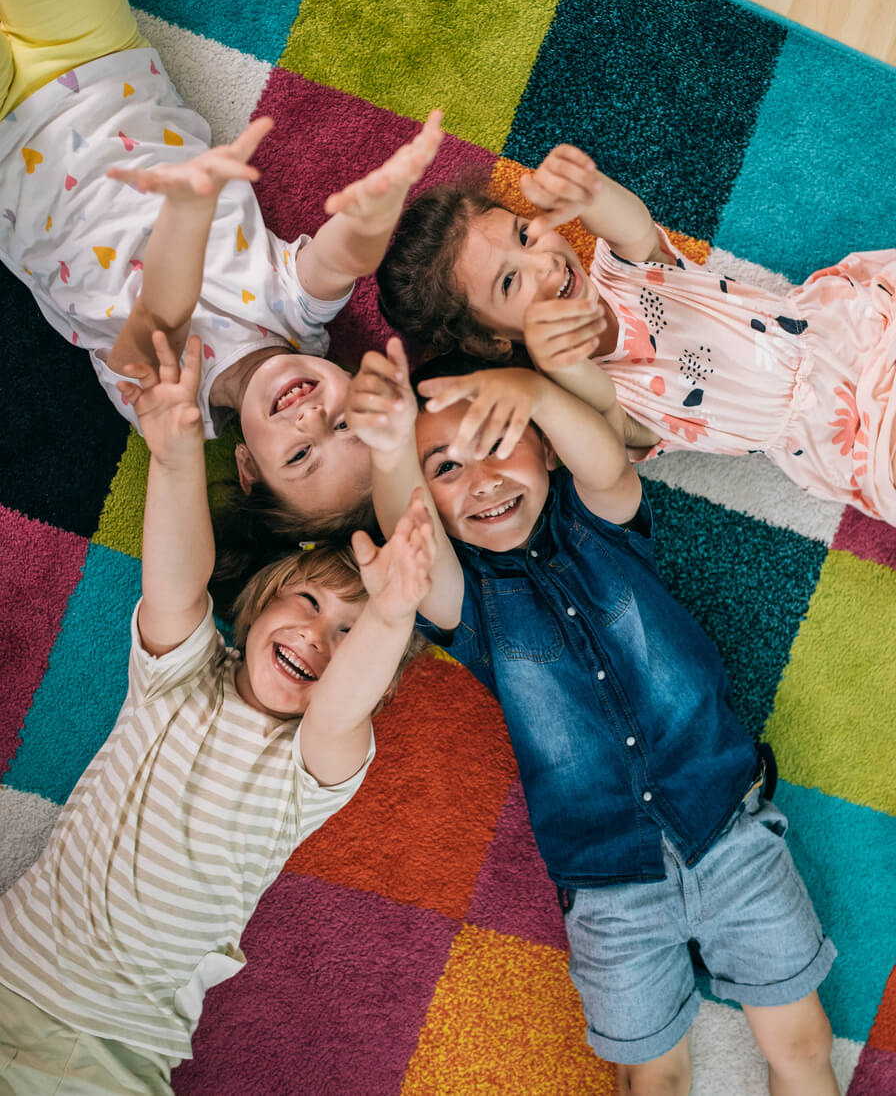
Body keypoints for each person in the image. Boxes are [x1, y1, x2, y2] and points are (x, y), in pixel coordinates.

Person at [345, 317, 840, 1095]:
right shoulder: (466, 605)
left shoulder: (604, 520)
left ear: (543, 445)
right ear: (430, 503)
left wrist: (534, 388)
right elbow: (409, 539)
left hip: (728, 829)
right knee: (652, 1079)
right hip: (611, 887)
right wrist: (386, 447)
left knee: (804, 1043)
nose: (481, 479)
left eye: (500, 439)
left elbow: (604, 457)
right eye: (444, 467)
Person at [0, 324, 435, 1095]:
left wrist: (392, 614)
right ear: (264, 598)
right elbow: (176, 584)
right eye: (307, 603)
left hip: (111, 1045)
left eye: (348, 632)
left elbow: (340, 706)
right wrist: (171, 457)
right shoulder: (180, 677)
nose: (318, 636)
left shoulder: (310, 767)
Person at [0, 0, 443, 538]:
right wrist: (377, 207)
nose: (311, 419)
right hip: (99, 62)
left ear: (248, 470)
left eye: (298, 455)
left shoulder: (174, 410)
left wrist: (187, 210)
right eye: (344, 424)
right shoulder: (296, 316)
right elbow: (340, 262)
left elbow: (159, 319)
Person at [376, 142, 896, 525]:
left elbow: (632, 223)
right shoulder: (595, 399)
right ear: (489, 341)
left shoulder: (625, 271)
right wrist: (559, 364)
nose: (543, 265)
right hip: (837, 434)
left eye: (525, 234)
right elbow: (612, 429)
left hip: (845, 326)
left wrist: (588, 189)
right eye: (510, 282)